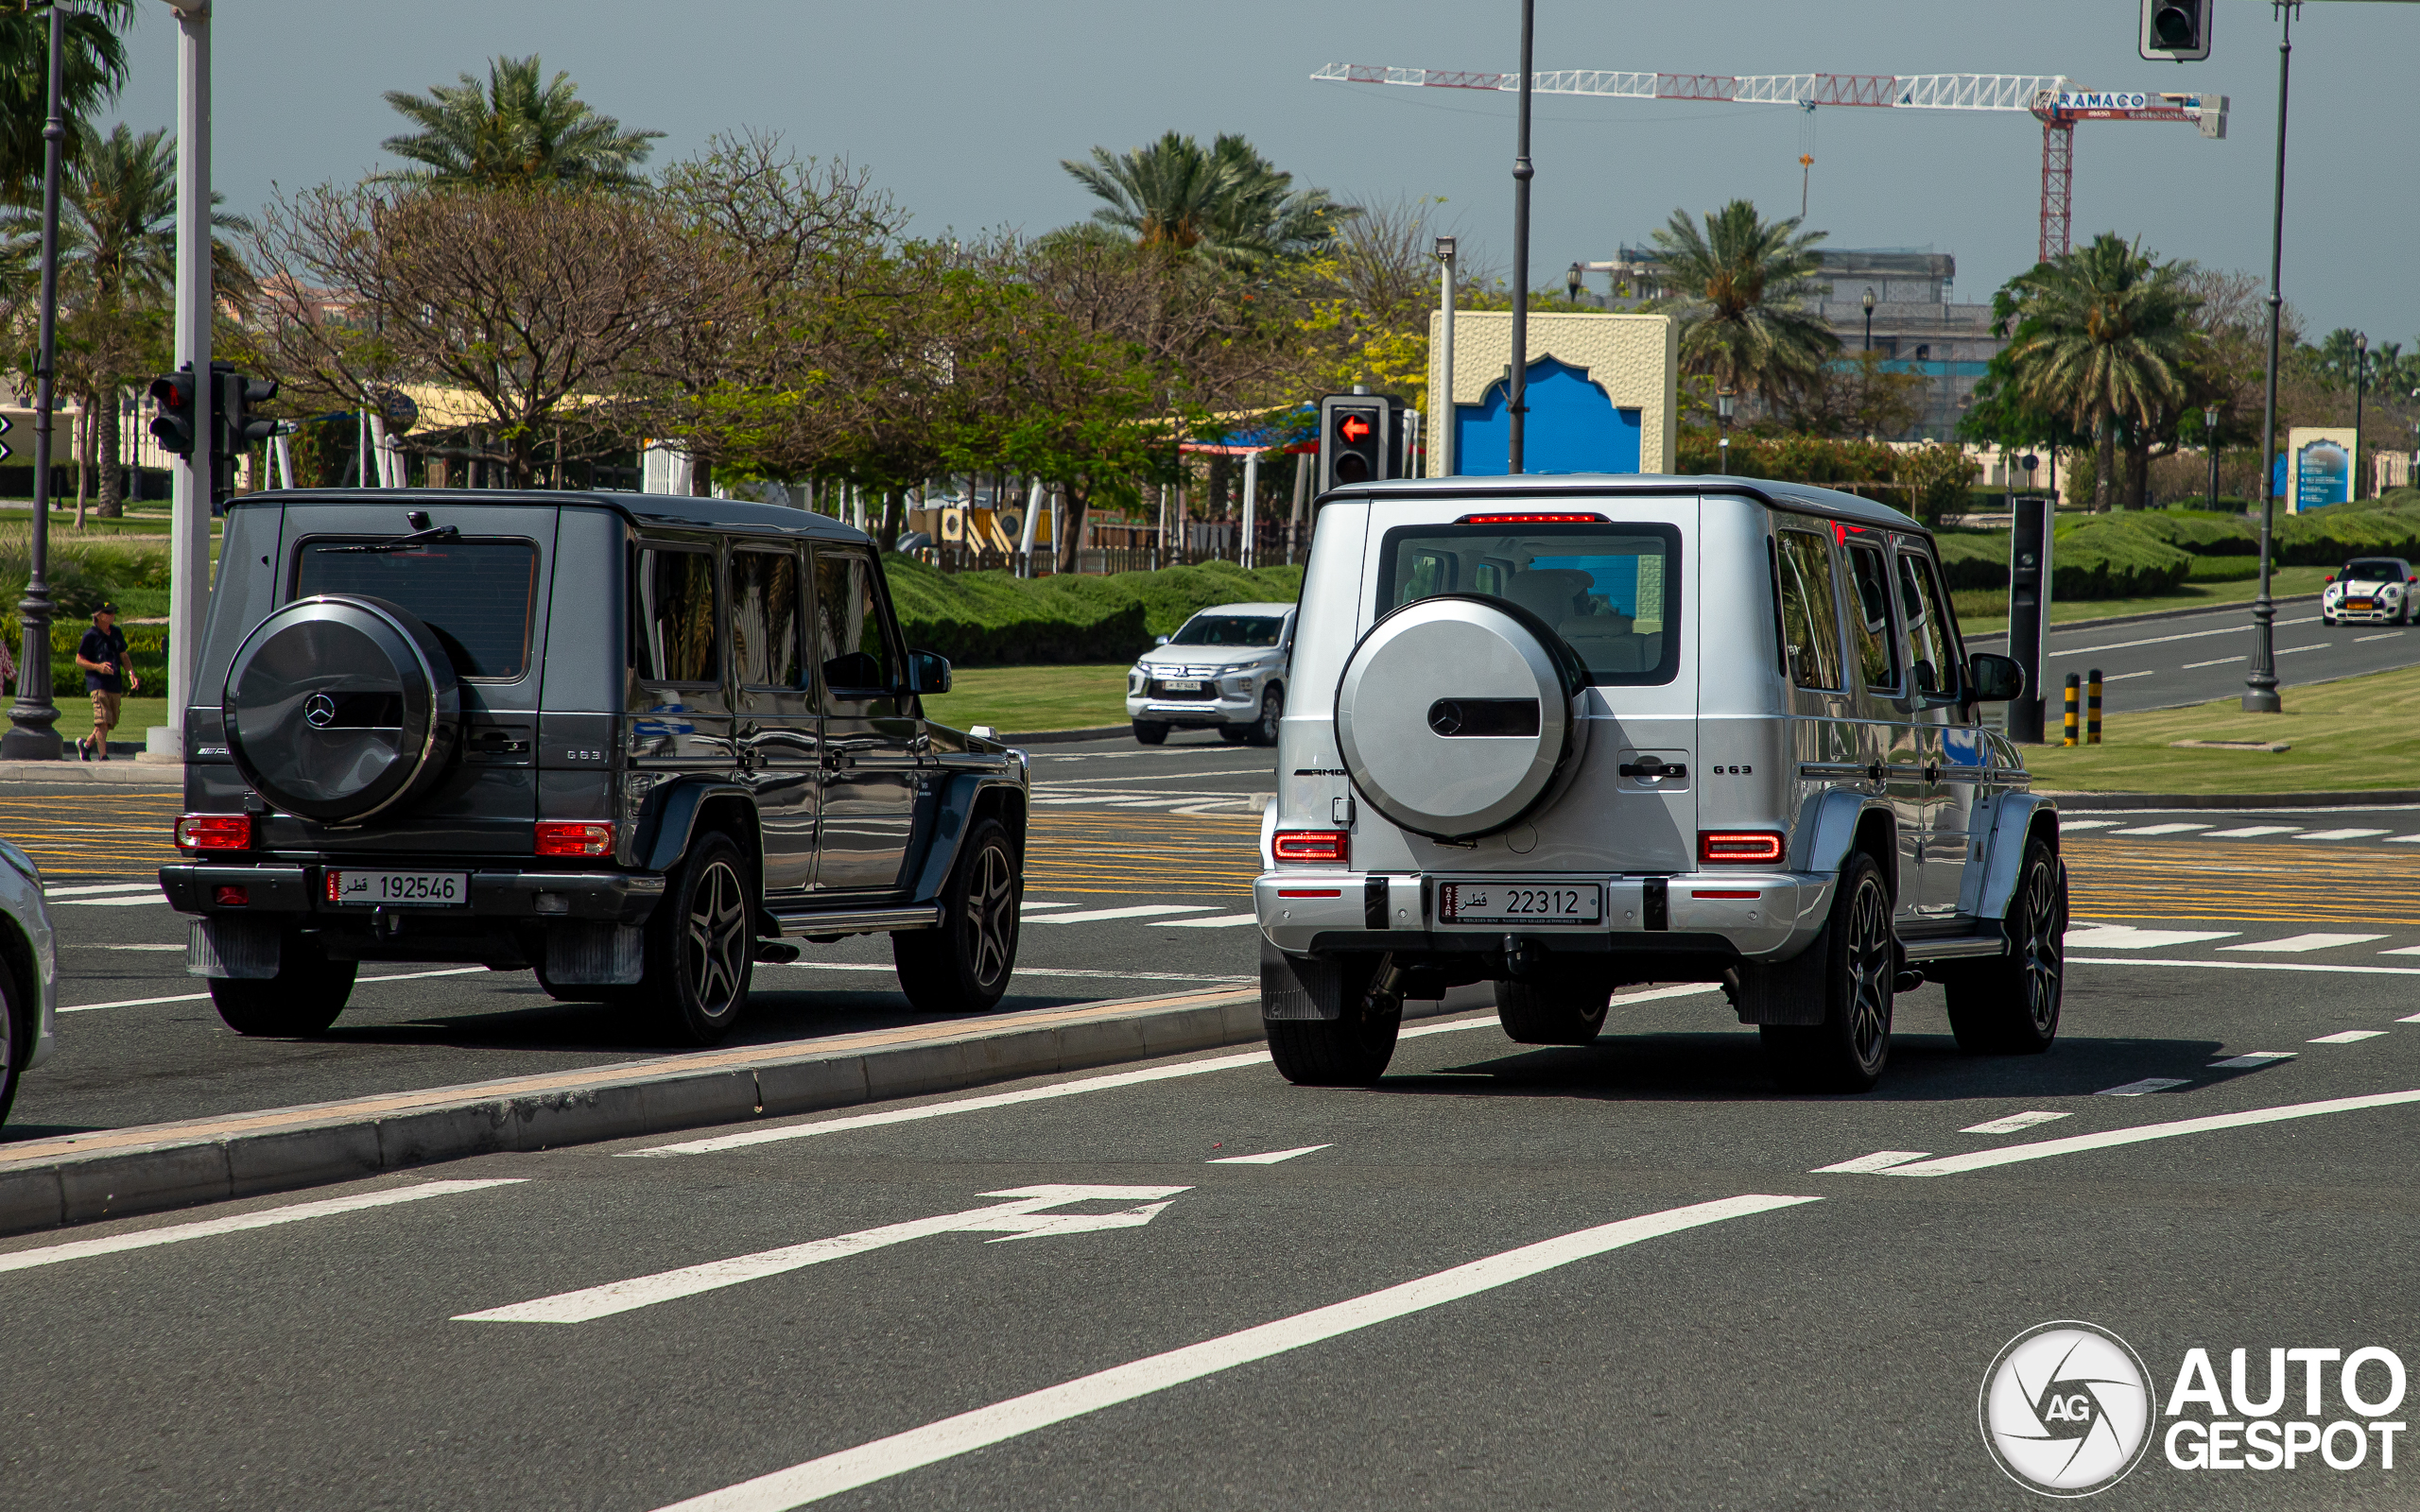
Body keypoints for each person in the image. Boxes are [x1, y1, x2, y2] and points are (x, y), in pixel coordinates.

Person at [74, 601, 136, 762]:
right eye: (108, 613)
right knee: (102, 720)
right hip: (98, 683)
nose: (112, 615)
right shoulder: (90, 635)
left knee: (109, 722)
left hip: (114, 683)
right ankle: (103, 756)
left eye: (113, 612)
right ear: (99, 616)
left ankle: (86, 745)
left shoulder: (116, 632)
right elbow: (79, 660)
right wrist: (97, 667)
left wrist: (131, 674)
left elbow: (124, 656)